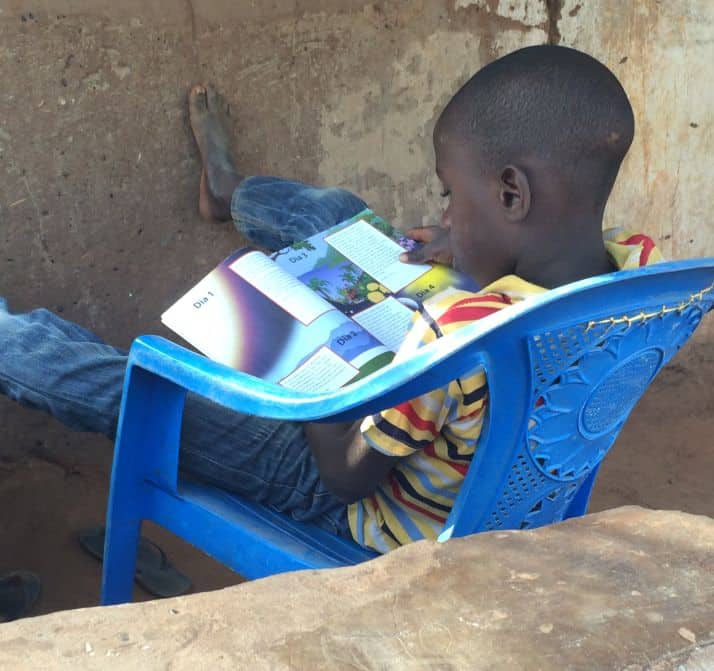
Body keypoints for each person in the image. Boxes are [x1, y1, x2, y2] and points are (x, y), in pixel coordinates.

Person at [0, 45, 662, 556]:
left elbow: (348, 476)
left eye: (449, 196)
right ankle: (229, 189)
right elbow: (529, 286)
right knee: (351, 225)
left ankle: (11, 338)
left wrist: (312, 366)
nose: (446, 213)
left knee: (133, 380)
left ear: (512, 195)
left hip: (347, 499)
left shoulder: (457, 332)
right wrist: (465, 248)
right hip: (490, 467)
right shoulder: (643, 272)